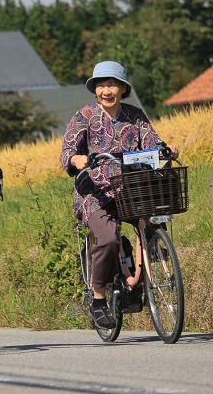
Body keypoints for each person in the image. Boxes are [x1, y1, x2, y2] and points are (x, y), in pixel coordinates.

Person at [60, 61, 179, 329]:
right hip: (95, 192)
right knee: (108, 237)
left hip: (131, 187)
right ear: (95, 89)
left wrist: (166, 149)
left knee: (152, 222)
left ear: (123, 88)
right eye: (101, 85)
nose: (106, 90)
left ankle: (141, 277)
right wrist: (77, 159)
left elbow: (152, 141)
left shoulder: (135, 115)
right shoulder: (84, 117)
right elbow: (66, 153)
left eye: (112, 84)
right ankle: (98, 298)